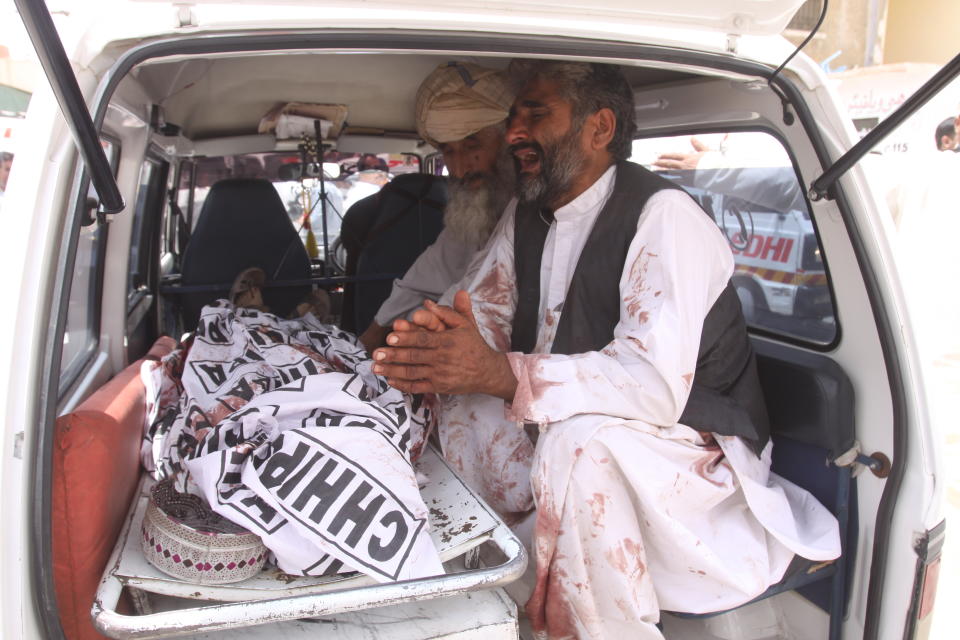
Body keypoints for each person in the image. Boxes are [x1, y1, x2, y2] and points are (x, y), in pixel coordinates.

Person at [372, 61, 840, 639]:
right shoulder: (530, 213)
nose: (514, 133)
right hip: (576, 417)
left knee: (581, 442)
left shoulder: (663, 216)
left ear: (598, 128)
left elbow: (653, 383)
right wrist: (432, 347)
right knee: (459, 405)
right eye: (514, 117)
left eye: (534, 114)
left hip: (692, 448)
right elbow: (482, 308)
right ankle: (503, 582)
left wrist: (502, 372)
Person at [357, 62, 515, 353]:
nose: (459, 168)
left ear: (508, 140)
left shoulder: (533, 213)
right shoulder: (471, 218)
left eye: (471, 146)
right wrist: (369, 338)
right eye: (448, 151)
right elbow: (421, 279)